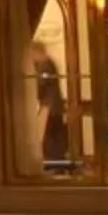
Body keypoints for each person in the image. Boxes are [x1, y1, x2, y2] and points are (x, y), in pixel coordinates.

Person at [31, 38, 72, 172]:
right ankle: (58, 163)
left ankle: (55, 164)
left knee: (51, 138)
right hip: (55, 107)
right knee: (54, 136)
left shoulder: (45, 65)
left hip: (51, 107)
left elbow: (41, 85)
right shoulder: (49, 64)